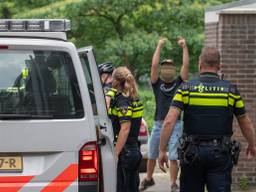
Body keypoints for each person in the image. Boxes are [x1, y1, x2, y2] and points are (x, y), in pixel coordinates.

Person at [159, 47, 256, 192]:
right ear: (219, 66)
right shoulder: (231, 91)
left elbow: (169, 121)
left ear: (200, 64)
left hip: (191, 153)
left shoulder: (186, 89)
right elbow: (245, 122)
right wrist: (252, 144)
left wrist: (162, 150)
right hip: (220, 153)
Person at [140, 36, 189, 192]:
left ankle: (174, 183)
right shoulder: (157, 84)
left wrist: (184, 47)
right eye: (164, 66)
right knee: (152, 153)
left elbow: (186, 66)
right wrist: (159, 46)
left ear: (173, 70)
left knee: (174, 156)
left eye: (170, 66)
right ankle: (148, 179)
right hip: (159, 123)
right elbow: (154, 66)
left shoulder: (179, 83)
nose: (167, 68)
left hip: (176, 124)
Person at [107, 66, 143, 192]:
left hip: (126, 152)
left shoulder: (123, 100)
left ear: (117, 80)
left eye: (112, 77)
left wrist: (116, 153)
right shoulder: (133, 97)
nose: (110, 80)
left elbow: (125, 128)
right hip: (132, 150)